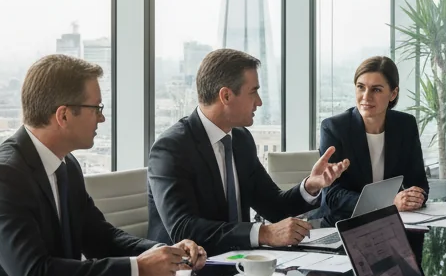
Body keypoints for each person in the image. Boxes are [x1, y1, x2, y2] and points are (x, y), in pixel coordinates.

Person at [0, 55, 205, 276]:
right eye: (96, 108)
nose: (101, 120)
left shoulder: (66, 165)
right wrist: (139, 269)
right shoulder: (1, 178)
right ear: (64, 115)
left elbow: (100, 238)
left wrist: (165, 255)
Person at [147, 48, 349, 253]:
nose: (259, 102)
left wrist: (310, 186)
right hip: (186, 273)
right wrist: (263, 233)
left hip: (239, 263)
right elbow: (184, 229)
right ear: (226, 95)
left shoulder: (240, 139)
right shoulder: (171, 149)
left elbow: (274, 206)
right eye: (253, 91)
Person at [318, 56, 428, 224]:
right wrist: (388, 203)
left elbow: (419, 182)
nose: (366, 97)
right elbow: (332, 196)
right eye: (361, 87)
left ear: (393, 93)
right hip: (343, 225)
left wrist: (415, 197)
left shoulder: (405, 125)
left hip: (392, 223)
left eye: (376, 90)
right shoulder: (334, 128)